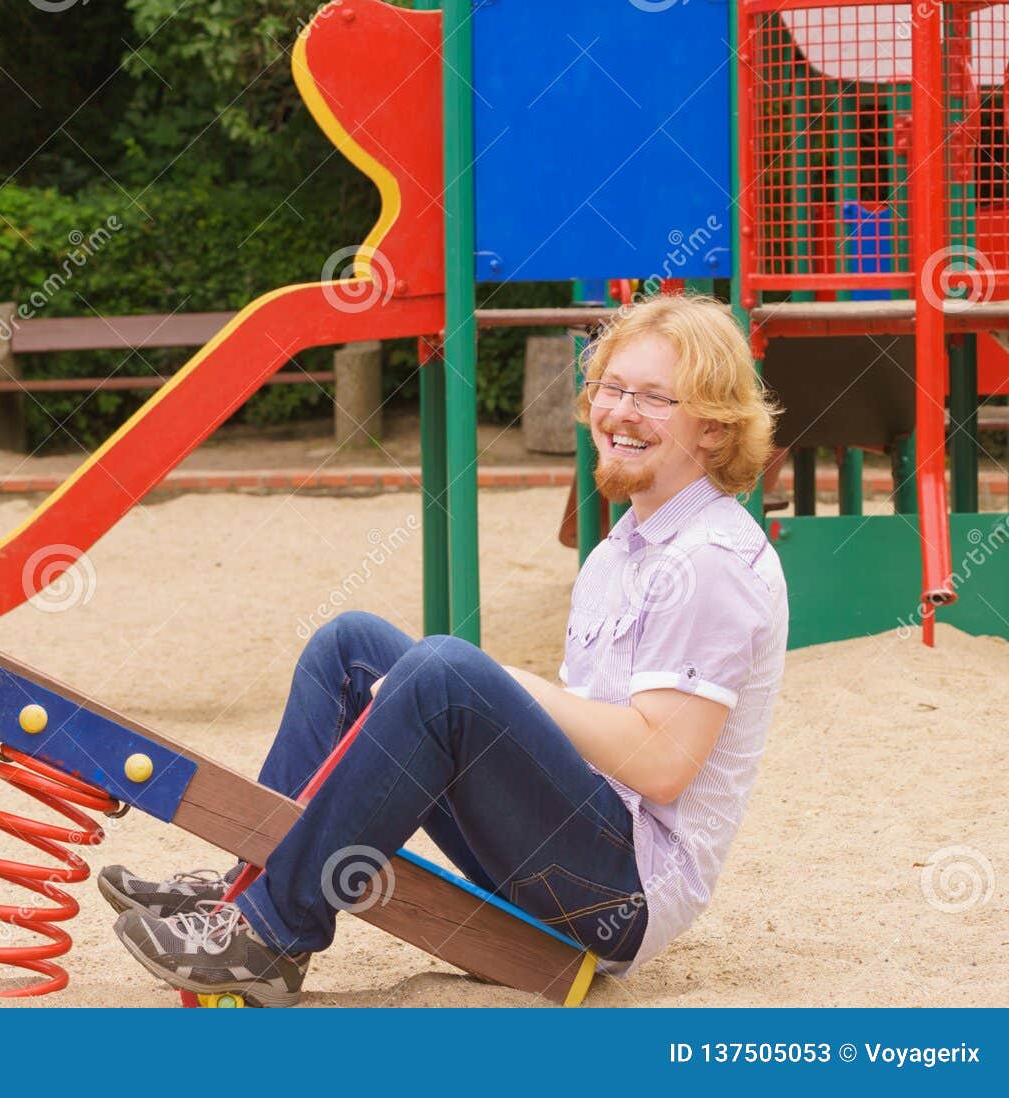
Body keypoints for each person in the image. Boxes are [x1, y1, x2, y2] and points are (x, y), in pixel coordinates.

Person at [105, 295, 788, 1006]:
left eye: (654, 398)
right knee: (354, 647)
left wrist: (505, 687)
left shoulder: (711, 560)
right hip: (570, 839)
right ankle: (246, 881)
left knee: (447, 672)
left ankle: (272, 936)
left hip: (621, 893)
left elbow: (662, 764)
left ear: (712, 427)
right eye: (612, 389)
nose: (620, 412)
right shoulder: (621, 552)